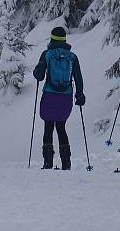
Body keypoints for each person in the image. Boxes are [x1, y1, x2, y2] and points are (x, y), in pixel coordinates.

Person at [33, 26, 85, 170]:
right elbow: (78, 78)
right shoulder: (72, 57)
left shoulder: (47, 54)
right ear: (64, 40)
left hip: (50, 94)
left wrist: (37, 69)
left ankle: (48, 162)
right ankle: (66, 163)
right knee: (61, 127)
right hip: (65, 97)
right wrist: (79, 95)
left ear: (52, 38)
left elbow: (39, 76)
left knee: (48, 127)